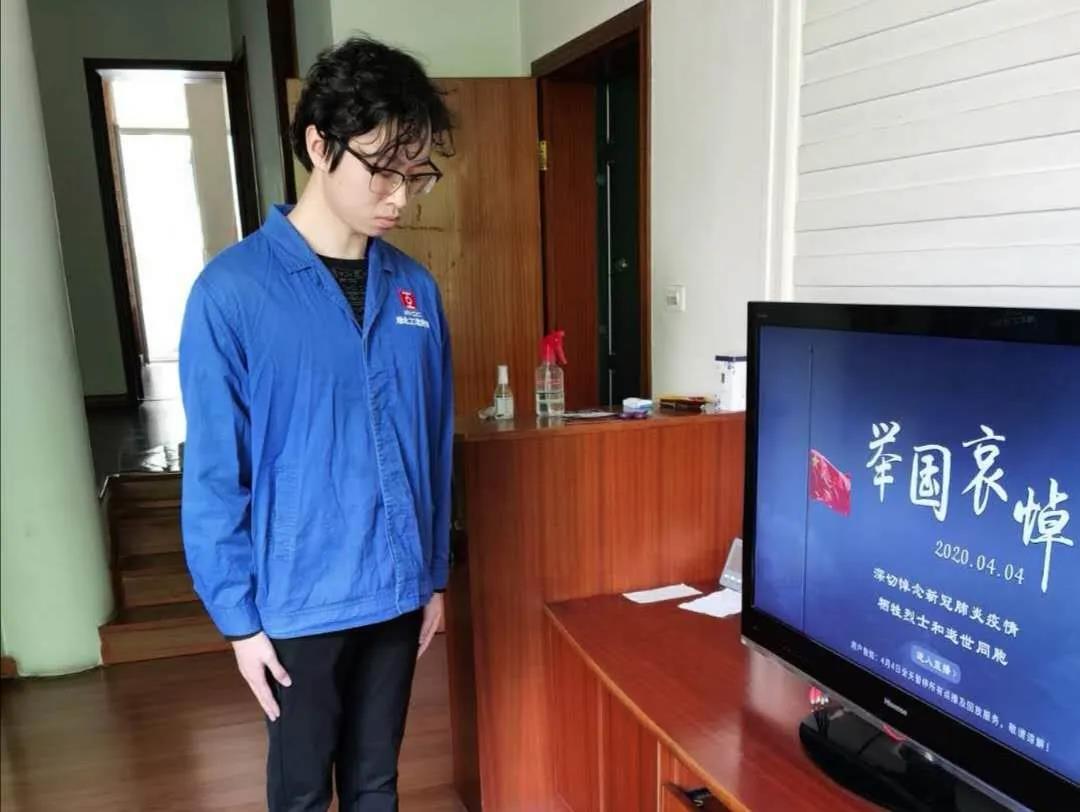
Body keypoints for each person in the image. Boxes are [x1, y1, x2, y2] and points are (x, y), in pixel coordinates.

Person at [179, 36, 455, 812]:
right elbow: (215, 474)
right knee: (301, 794)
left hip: (396, 590)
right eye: (383, 169)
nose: (400, 196)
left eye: (417, 173)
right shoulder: (232, 292)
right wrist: (239, 622)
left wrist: (433, 575)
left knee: (376, 783)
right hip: (297, 602)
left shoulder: (416, 291)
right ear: (317, 145)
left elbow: (434, 445)